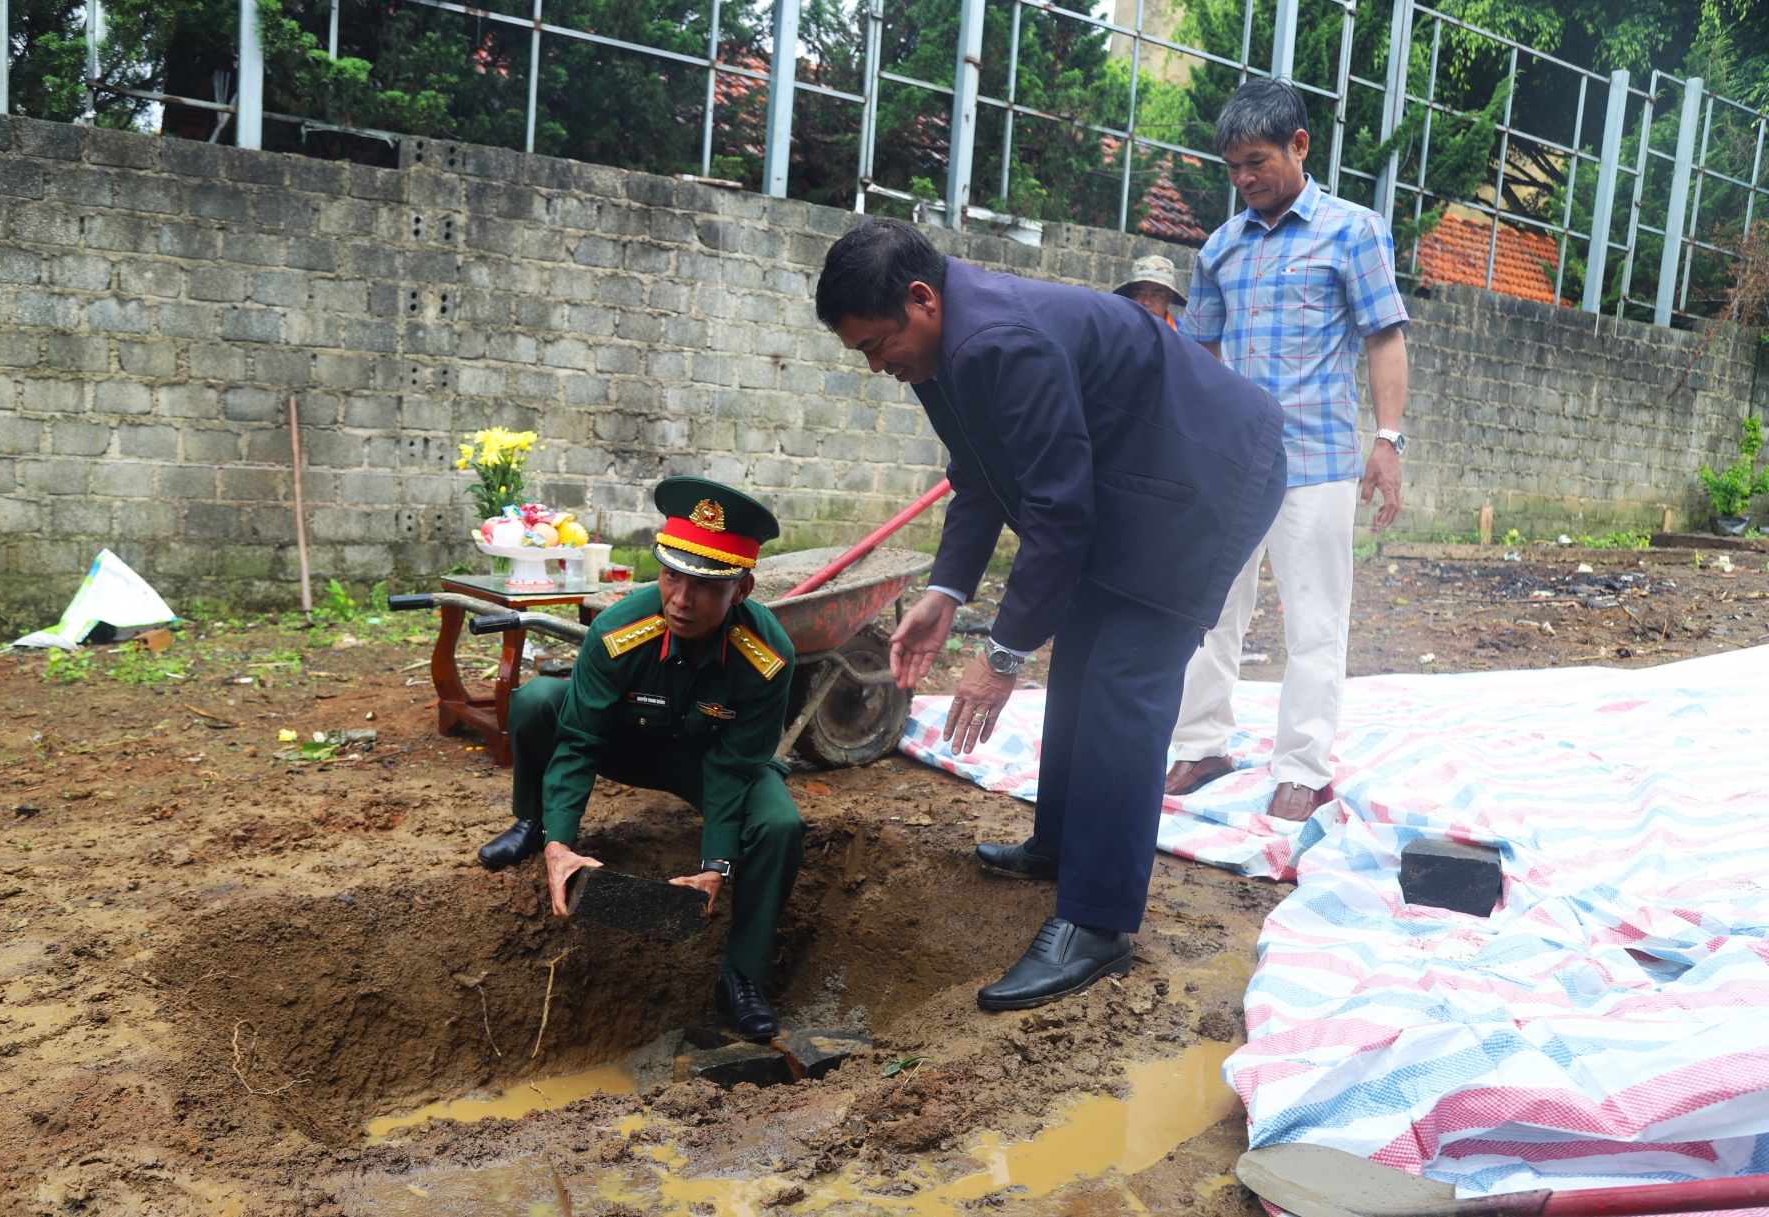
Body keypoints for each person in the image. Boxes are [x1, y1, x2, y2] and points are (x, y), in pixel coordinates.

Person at [815, 218, 1286, 1011]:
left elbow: (1059, 512)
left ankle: (1098, 921)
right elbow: (980, 474)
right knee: (1080, 658)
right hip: (1137, 474)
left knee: (1125, 680)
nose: (875, 364)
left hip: (1208, 478)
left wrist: (1000, 657)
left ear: (922, 299)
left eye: (874, 344)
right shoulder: (939, 352)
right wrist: (947, 593)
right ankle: (1064, 840)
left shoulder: (998, 341)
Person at [473, 477, 803, 1037]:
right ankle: (534, 821)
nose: (680, 599)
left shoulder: (768, 656)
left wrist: (713, 867)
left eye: (703, 585)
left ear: (741, 590)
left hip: (705, 760)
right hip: (623, 745)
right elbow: (579, 742)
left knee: (779, 824)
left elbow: (732, 765)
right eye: (672, 575)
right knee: (536, 702)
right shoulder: (618, 630)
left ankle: (740, 977)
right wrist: (561, 843)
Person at [1167, 79, 1410, 822]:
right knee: (1208, 612)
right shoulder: (1219, 248)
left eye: (1257, 161)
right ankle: (1202, 742)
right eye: (1233, 166)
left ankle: (1301, 765)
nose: (1243, 179)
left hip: (1317, 464)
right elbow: (1199, 355)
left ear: (1300, 145)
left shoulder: (1353, 231)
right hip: (1232, 467)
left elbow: (1384, 337)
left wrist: (1388, 439)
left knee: (1314, 621)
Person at [1115, 254, 1185, 328]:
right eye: (1139, 294)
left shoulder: (1184, 335)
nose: (1146, 302)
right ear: (1130, 295)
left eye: (1156, 295)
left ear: (1170, 297)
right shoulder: (1115, 329)